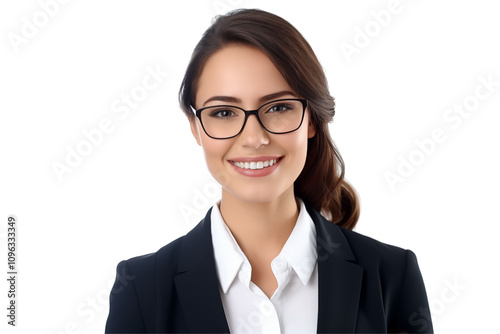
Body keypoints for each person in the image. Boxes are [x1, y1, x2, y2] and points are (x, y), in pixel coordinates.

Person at [105, 8, 433, 334]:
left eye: (278, 107)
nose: (254, 139)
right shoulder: (142, 289)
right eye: (223, 112)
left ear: (312, 120)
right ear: (195, 127)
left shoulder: (391, 276)